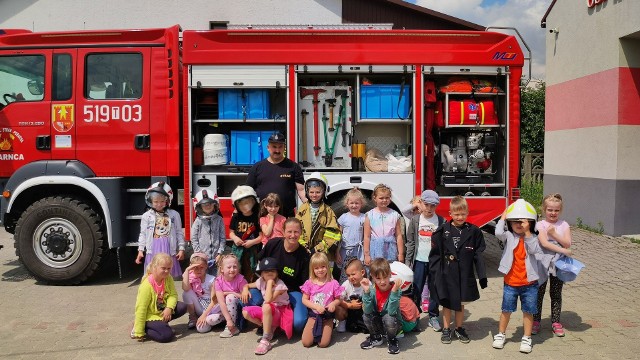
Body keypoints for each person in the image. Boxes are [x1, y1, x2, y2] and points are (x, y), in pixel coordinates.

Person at [429, 195, 487, 344]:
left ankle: (459, 328)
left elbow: (478, 255)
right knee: (447, 304)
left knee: (460, 304)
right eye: (456, 214)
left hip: (464, 275)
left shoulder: (474, 232)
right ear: (450, 214)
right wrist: (435, 275)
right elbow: (435, 256)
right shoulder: (442, 231)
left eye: (463, 214)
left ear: (467, 213)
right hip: (447, 275)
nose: (460, 217)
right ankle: (447, 329)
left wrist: (482, 277)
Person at [492, 199, 545, 354]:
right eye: (515, 221)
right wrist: (503, 216)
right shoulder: (508, 235)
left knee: (529, 311)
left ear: (531, 223)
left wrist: (528, 232)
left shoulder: (533, 237)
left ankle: (527, 337)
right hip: (511, 283)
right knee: (506, 310)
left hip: (530, 284)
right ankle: (501, 334)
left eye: (523, 222)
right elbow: (497, 232)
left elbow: (535, 250)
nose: (519, 224)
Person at [254, 218, 310, 332]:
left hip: (291, 291)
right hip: (268, 286)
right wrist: (264, 281)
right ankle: (269, 322)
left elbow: (304, 284)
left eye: (296, 232)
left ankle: (276, 319)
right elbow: (259, 262)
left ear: (301, 233)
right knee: (249, 297)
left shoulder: (304, 256)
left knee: (299, 324)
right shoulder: (273, 244)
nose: (293, 235)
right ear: (283, 232)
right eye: (289, 231)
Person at [533, 193, 573, 337]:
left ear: (560, 211)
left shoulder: (564, 224)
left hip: (559, 264)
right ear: (544, 210)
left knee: (556, 293)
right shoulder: (540, 224)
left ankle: (556, 322)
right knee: (539, 291)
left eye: (556, 210)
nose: (553, 213)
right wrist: (564, 250)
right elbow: (544, 243)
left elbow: (568, 242)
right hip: (542, 262)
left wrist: (554, 234)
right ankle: (536, 321)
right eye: (550, 210)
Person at [405, 190, 445, 332]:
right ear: (421, 203)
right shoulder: (416, 220)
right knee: (416, 289)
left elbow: (444, 243)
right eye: (426, 204)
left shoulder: (441, 221)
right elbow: (410, 242)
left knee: (435, 289)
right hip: (419, 260)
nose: (429, 208)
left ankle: (433, 316)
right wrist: (408, 262)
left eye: (433, 206)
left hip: (435, 261)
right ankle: (414, 316)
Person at [246, 132, 306, 217]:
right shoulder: (257, 167)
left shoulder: (293, 167)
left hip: (286, 216)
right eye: (274, 147)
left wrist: (311, 206)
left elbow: (301, 190)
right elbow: (248, 191)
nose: (277, 150)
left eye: (280, 147)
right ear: (268, 147)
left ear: (284, 148)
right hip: (264, 217)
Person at [131, 253, 187, 343]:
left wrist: (169, 308)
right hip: (150, 315)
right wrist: (139, 332)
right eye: (163, 268)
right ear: (154, 267)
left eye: (169, 268)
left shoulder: (168, 278)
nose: (166, 271)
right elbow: (141, 308)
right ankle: (142, 327)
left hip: (161, 310)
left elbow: (173, 295)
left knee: (182, 306)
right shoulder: (146, 285)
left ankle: (161, 325)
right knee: (166, 336)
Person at [242, 257, 292, 355]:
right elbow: (248, 285)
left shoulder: (280, 285)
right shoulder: (260, 281)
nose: (269, 273)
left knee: (266, 305)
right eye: (266, 271)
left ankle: (265, 339)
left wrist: (269, 283)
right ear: (261, 274)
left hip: (281, 313)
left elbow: (268, 300)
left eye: (272, 270)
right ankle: (267, 326)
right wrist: (245, 289)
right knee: (245, 311)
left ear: (277, 273)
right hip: (268, 312)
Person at [135, 182, 184, 278]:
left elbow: (179, 232)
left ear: (168, 200)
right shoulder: (146, 216)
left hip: (168, 249)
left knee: (167, 275)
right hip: (153, 249)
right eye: (156, 201)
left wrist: (181, 248)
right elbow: (143, 234)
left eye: (162, 201)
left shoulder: (174, 215)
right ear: (151, 201)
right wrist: (140, 250)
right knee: (153, 275)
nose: (159, 204)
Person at [359, 258, 404, 355]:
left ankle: (392, 340)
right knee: (366, 315)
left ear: (390, 275)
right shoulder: (371, 290)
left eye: (385, 277)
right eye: (378, 278)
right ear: (372, 277)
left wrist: (394, 292)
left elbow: (391, 311)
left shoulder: (396, 290)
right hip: (379, 323)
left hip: (393, 324)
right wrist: (366, 292)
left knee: (389, 317)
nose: (382, 281)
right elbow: (367, 311)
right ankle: (376, 337)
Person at [300, 252, 344, 348]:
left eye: (323, 266)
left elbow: (338, 299)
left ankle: (329, 327)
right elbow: (304, 300)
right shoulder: (309, 283)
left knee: (323, 344)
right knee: (306, 343)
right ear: (312, 269)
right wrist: (315, 306)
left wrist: (333, 304)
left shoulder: (333, 283)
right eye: (316, 268)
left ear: (327, 267)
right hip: (313, 316)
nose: (320, 270)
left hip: (327, 316)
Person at [296, 172, 341, 262]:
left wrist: (317, 249)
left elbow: (332, 234)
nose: (314, 195)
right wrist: (303, 246)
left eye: (318, 192)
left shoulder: (328, 211)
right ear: (307, 192)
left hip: (322, 254)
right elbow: (297, 228)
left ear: (324, 192)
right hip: (304, 252)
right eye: (311, 192)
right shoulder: (302, 209)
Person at [229, 185, 263, 282]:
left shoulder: (257, 217)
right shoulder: (236, 217)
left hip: (253, 250)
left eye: (247, 202)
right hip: (238, 250)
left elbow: (261, 236)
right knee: (236, 269)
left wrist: (252, 242)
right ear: (236, 205)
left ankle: (248, 289)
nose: (245, 206)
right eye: (242, 204)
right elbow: (231, 233)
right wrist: (235, 239)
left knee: (251, 270)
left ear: (253, 201)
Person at [363, 184, 403, 265]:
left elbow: (398, 235)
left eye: (387, 198)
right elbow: (367, 236)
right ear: (375, 198)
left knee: (390, 272)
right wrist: (367, 255)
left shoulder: (394, 215)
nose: (384, 200)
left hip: (390, 249)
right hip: (375, 249)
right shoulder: (370, 215)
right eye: (381, 198)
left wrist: (401, 254)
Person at [212, 253, 248, 337]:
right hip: (224, 308)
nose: (232, 269)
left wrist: (232, 293)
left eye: (235, 267)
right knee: (211, 320)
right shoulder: (218, 281)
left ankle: (231, 329)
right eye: (229, 267)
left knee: (230, 298)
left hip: (239, 308)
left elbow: (245, 297)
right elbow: (221, 302)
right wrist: (228, 319)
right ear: (222, 269)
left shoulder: (241, 279)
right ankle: (228, 321)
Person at [190, 190, 225, 274]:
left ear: (215, 205)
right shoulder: (198, 221)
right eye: (204, 205)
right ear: (199, 206)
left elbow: (222, 237)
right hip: (202, 258)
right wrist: (199, 254)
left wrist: (220, 253)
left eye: (210, 204)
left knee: (216, 279)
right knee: (203, 278)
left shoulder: (219, 220)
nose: (207, 206)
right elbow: (193, 238)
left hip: (216, 258)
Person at [336, 187, 367, 283]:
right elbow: (338, 236)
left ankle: (359, 292)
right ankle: (344, 292)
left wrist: (366, 254)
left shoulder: (364, 217)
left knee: (358, 272)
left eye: (357, 203)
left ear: (361, 204)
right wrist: (337, 252)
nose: (354, 205)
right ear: (347, 204)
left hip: (358, 251)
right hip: (345, 251)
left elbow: (366, 237)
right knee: (346, 272)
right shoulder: (343, 217)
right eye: (351, 203)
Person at [181, 253, 215, 330]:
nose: (199, 270)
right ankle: (193, 317)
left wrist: (204, 315)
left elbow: (214, 300)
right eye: (195, 267)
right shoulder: (190, 277)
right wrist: (187, 270)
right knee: (186, 293)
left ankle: (212, 321)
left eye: (201, 267)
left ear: (206, 266)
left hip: (209, 308)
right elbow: (185, 288)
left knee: (201, 329)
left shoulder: (211, 280)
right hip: (198, 307)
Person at [335, 258, 367, 333]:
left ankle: (366, 323)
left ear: (362, 272)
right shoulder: (346, 284)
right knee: (337, 306)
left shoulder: (367, 283)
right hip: (349, 309)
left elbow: (371, 299)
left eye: (353, 274)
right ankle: (343, 321)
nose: (351, 277)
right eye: (348, 275)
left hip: (363, 310)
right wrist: (350, 305)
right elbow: (338, 299)